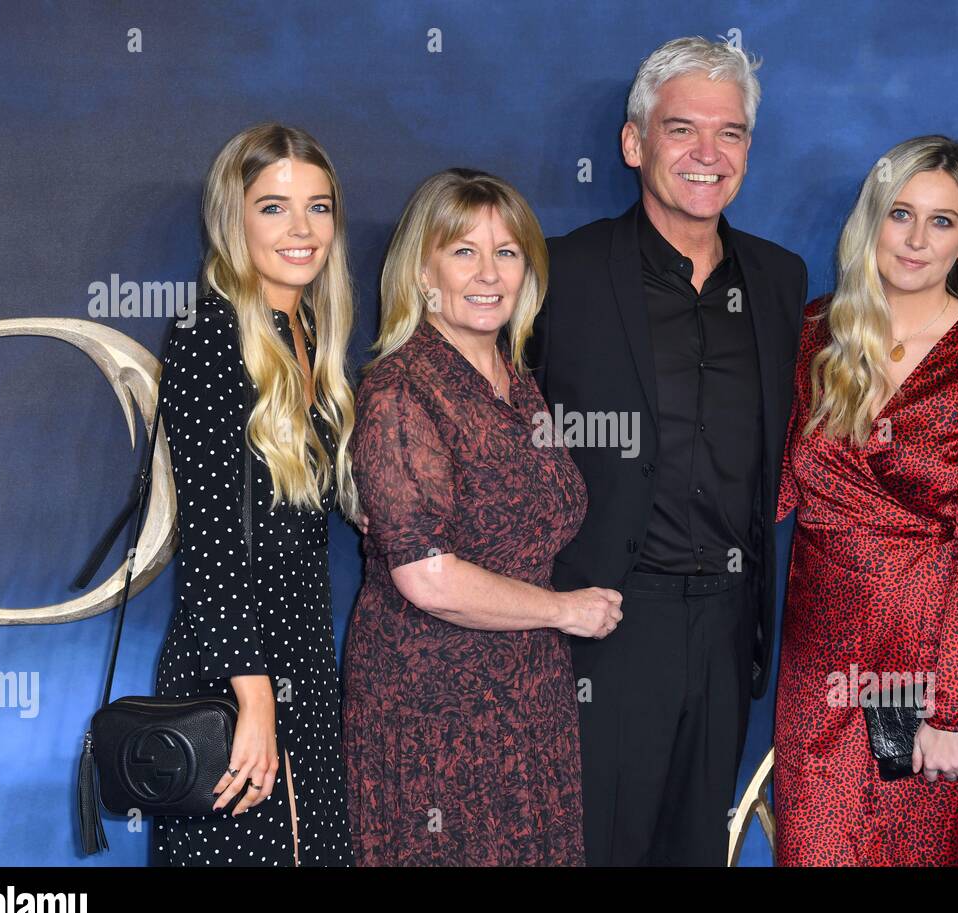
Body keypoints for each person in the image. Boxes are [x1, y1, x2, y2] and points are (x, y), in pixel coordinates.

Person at [526, 37, 807, 866]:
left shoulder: (781, 280)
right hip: (604, 625)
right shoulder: (557, 273)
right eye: (682, 129)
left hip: (729, 624)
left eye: (731, 134)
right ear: (633, 142)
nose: (707, 154)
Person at [774, 134, 958, 866]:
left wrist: (955, 710)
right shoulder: (813, 333)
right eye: (900, 214)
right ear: (872, 223)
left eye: (942, 221)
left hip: (934, 661)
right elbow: (774, 489)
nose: (916, 239)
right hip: (821, 667)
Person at [343, 168, 621, 866]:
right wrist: (563, 611)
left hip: (527, 695)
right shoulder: (400, 389)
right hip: (432, 702)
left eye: (508, 251)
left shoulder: (515, 380)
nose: (489, 272)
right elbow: (428, 578)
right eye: (464, 250)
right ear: (422, 269)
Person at [153, 123, 360, 866]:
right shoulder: (209, 333)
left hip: (302, 657)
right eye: (273, 207)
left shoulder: (306, 330)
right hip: (233, 667)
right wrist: (255, 697)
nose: (302, 230)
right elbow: (211, 542)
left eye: (319, 206)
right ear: (233, 219)